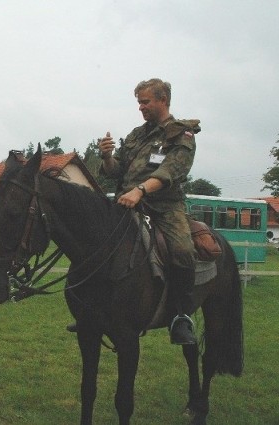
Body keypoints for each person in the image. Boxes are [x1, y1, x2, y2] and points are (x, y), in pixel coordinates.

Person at [68, 78, 199, 345]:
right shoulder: (137, 135)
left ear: (163, 100)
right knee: (94, 244)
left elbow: (171, 170)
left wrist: (141, 189)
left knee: (183, 250)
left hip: (164, 207)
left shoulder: (182, 134)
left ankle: (180, 316)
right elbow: (118, 170)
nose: (141, 107)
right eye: (139, 102)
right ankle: (91, 312)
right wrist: (106, 157)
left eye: (145, 101)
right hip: (125, 203)